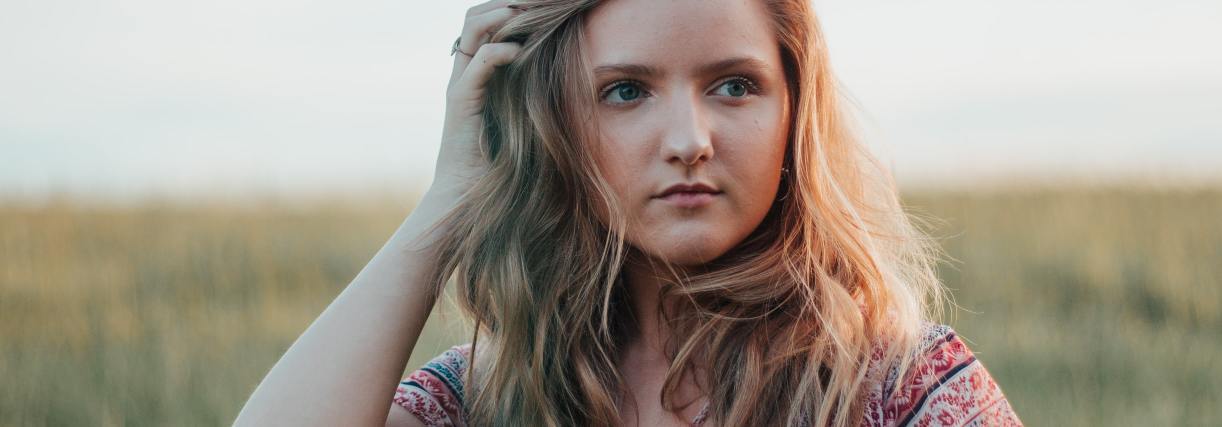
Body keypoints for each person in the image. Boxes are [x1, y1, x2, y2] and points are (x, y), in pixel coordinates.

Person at [235, 0, 1023, 425]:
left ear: (794, 109)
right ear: (556, 124)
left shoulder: (898, 385)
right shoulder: (490, 398)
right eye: (625, 91)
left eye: (734, 84)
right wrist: (450, 200)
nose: (689, 140)